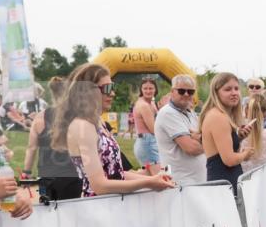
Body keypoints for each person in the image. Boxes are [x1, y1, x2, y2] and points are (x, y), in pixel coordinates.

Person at [51, 63, 175, 198]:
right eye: (107, 88)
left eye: (112, 87)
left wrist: (152, 179)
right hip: (98, 209)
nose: (113, 93)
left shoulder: (97, 122)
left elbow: (115, 174)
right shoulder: (83, 126)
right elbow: (99, 186)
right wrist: (149, 183)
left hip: (111, 206)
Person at [22, 75, 82, 202]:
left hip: (46, 177)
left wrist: (26, 172)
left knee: (47, 212)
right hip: (72, 176)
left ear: (52, 93)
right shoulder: (77, 116)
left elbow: (31, 148)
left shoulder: (39, 117)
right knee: (70, 214)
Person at [199, 71, 254, 193]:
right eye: (228, 89)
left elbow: (219, 151)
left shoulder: (220, 115)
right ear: (216, 93)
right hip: (225, 185)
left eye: (236, 88)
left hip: (225, 182)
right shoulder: (218, 117)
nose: (234, 93)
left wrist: (238, 138)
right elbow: (228, 160)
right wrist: (245, 154)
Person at [155, 74, 207, 185]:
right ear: (172, 91)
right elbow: (191, 148)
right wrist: (212, 144)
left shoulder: (190, 112)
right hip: (181, 182)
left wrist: (201, 139)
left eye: (191, 92)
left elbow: (200, 138)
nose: (187, 94)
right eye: (182, 91)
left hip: (195, 181)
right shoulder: (168, 113)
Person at [132, 78, 161, 168]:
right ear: (141, 90)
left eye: (151, 88)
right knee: (161, 176)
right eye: (145, 88)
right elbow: (154, 130)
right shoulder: (144, 105)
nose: (148, 91)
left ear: (155, 89)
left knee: (149, 176)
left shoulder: (151, 103)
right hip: (148, 144)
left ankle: (125, 177)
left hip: (147, 142)